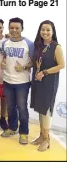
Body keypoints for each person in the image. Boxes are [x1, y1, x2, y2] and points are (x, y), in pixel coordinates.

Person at [30, 20, 65, 151]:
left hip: (49, 82)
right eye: (43, 29)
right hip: (37, 81)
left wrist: (44, 72)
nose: (45, 32)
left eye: (48, 30)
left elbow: (61, 65)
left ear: (53, 32)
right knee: (40, 108)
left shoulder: (56, 47)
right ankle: (41, 136)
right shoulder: (38, 46)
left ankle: (47, 139)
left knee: (46, 110)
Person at [1, 17, 34, 145]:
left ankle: (24, 133)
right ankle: (12, 128)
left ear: (22, 29)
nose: (14, 30)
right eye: (12, 28)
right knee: (10, 107)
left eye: (17, 28)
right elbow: (5, 56)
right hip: (7, 80)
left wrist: (24, 67)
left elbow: (34, 62)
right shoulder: (5, 43)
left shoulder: (29, 44)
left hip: (22, 83)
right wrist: (4, 62)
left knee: (22, 108)